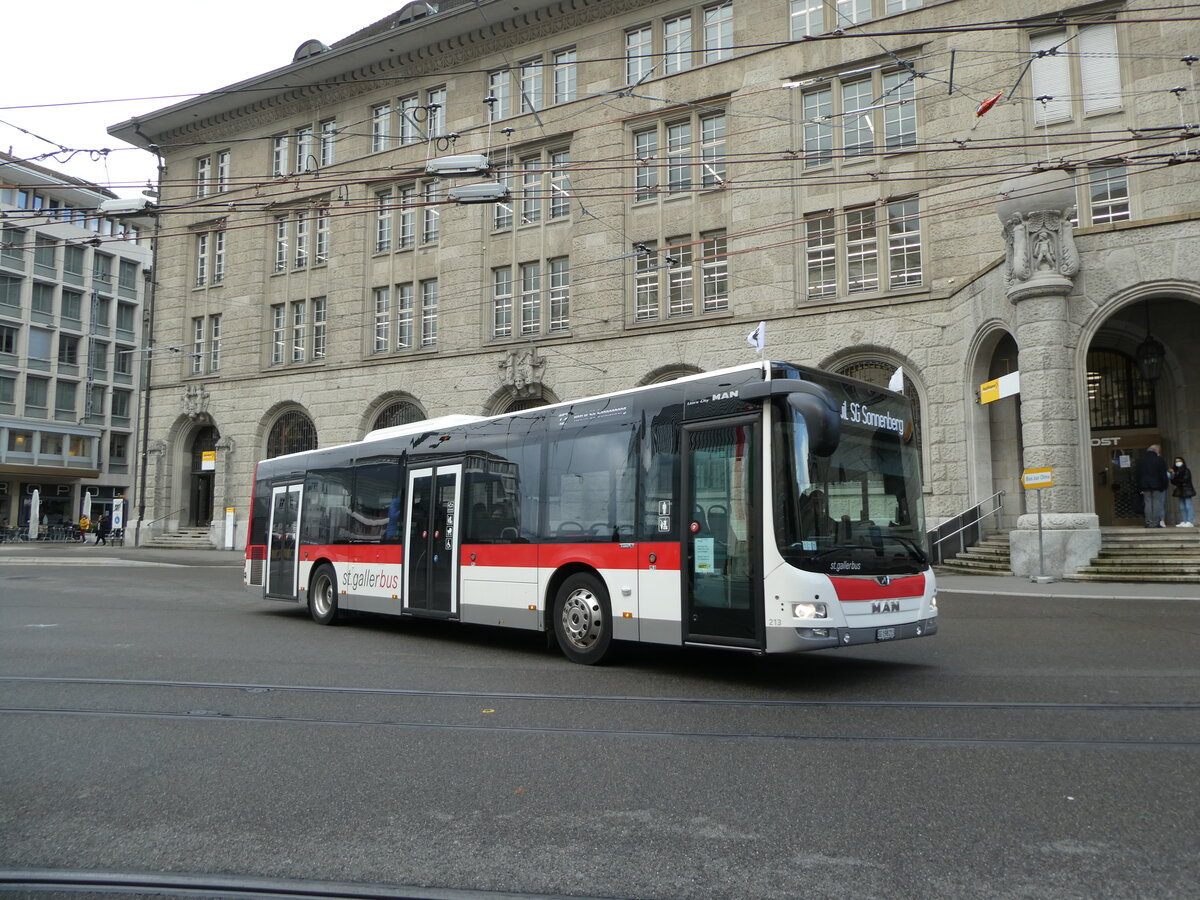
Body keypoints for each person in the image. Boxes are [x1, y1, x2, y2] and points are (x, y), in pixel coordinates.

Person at [1135, 444, 1170, 528]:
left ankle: (1149, 522)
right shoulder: (1159, 459)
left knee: (1147, 503)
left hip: (1145, 485)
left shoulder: (1141, 460)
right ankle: (1155, 522)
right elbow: (1163, 474)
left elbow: (1137, 474)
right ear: (1157, 451)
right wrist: (1165, 485)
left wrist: (1139, 486)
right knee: (1156, 503)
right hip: (1157, 485)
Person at [1172, 456, 1195, 527]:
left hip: (1187, 489)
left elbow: (1185, 479)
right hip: (1180, 490)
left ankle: (1190, 521)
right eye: (1176, 461)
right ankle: (1185, 521)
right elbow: (1173, 481)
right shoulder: (1176, 471)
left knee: (1188, 505)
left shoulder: (1186, 470)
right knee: (1182, 507)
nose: (1177, 463)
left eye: (1179, 461)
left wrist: (1177, 480)